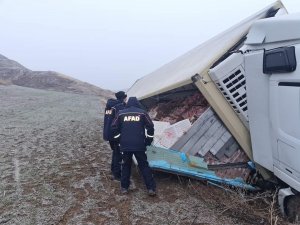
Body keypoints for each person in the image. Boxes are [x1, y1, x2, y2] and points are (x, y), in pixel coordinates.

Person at [111, 97, 156, 196]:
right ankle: (151, 188)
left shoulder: (121, 113)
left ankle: (124, 188)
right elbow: (150, 127)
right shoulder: (142, 113)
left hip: (125, 145)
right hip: (139, 144)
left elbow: (113, 127)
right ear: (137, 104)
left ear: (127, 104)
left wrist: (119, 139)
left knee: (126, 165)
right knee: (144, 166)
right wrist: (148, 140)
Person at [103, 91, 127, 181]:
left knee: (115, 152)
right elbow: (120, 121)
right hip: (115, 134)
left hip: (108, 133)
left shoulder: (109, 106)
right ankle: (117, 174)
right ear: (123, 97)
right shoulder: (119, 107)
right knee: (118, 154)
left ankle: (113, 170)